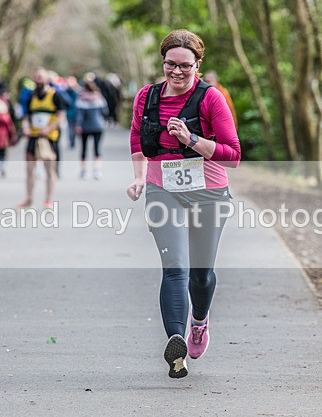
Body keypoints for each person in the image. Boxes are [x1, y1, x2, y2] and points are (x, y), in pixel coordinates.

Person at [126, 29, 240, 378]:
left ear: (198, 65)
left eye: (184, 66)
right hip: (164, 190)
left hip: (209, 192)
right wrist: (140, 176)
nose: (176, 72)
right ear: (162, 63)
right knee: (174, 266)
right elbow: (137, 137)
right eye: (170, 65)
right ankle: (176, 342)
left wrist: (192, 139)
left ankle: (198, 323)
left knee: (201, 275)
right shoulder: (147, 97)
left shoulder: (211, 99)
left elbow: (233, 155)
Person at [17, 67, 66, 208]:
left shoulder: (55, 95)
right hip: (33, 136)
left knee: (49, 169)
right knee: (29, 169)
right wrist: (25, 127)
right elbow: (26, 115)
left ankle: (48, 200)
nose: (39, 80)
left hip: (49, 137)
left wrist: (49, 129)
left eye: (41, 77)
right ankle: (29, 198)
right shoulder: (30, 95)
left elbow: (61, 116)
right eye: (36, 77)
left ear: (47, 79)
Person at [74, 78, 107, 180]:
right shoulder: (99, 98)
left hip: (85, 127)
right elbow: (105, 112)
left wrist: (78, 125)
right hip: (98, 127)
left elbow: (79, 115)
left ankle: (83, 171)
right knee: (97, 149)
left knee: (84, 149)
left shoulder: (80, 99)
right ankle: (97, 170)